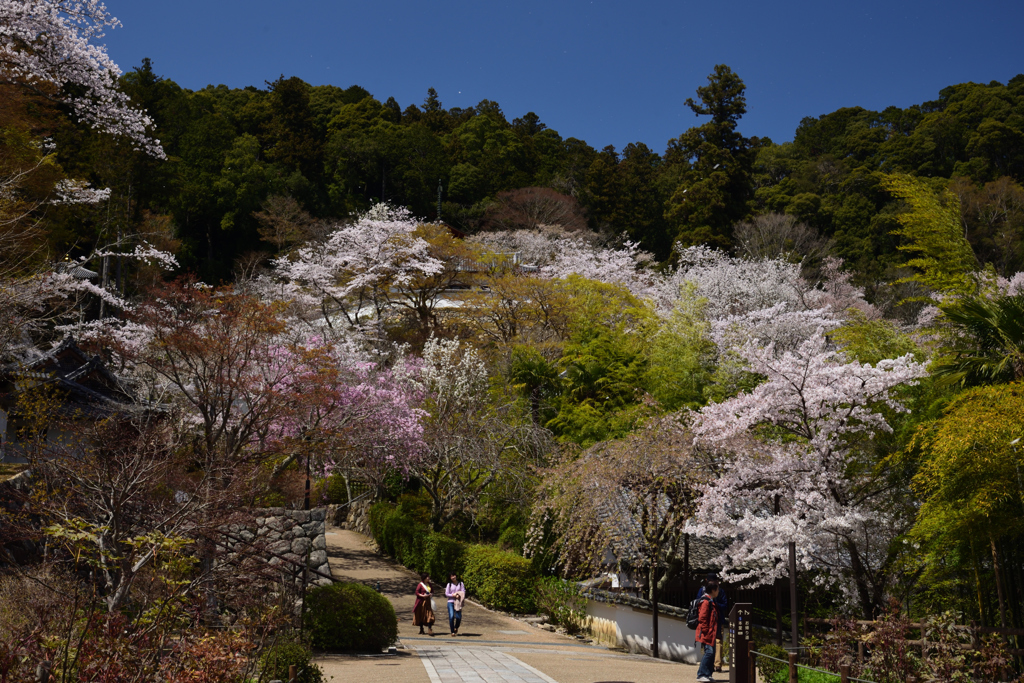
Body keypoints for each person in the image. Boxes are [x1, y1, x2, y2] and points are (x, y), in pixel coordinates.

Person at [695, 573, 728, 672]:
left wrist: (715, 605)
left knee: (717, 641)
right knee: (709, 645)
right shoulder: (703, 592)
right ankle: (706, 669)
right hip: (709, 621)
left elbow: (725, 605)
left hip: (717, 620)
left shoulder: (720, 591)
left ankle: (717, 664)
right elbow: (699, 606)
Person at [695, 579, 721, 683]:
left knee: (712, 652)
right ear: (713, 590)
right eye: (717, 589)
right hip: (707, 632)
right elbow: (702, 618)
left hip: (711, 632)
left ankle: (708, 674)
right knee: (709, 652)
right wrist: (706, 630)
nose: (718, 591)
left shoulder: (710, 601)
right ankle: (701, 674)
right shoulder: (706, 601)